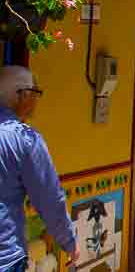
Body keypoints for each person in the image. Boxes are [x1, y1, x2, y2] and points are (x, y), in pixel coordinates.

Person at [0, 66, 80, 271]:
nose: (36, 101)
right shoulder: (24, 139)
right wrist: (70, 243)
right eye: (36, 93)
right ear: (23, 95)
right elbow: (50, 199)